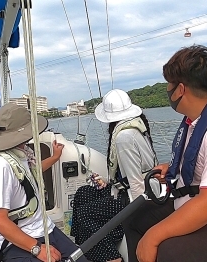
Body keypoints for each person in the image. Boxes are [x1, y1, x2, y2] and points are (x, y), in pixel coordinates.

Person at [122, 45, 207, 262]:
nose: (167, 90)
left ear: (180, 89)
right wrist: (172, 168)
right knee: (136, 217)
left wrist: (153, 237)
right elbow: (202, 162)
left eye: (169, 84)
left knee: (169, 249)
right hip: (206, 212)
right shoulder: (195, 122)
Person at [0, 103, 88, 262]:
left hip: (42, 228)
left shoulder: (21, 153)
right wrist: (37, 249)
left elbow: (30, 174)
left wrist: (55, 157)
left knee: (79, 259)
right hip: (12, 243)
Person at [70, 89, 159, 262]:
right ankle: (82, 247)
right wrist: (110, 184)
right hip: (129, 189)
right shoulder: (135, 126)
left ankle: (112, 258)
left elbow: (136, 183)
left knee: (85, 214)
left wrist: (136, 213)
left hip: (139, 198)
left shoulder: (124, 137)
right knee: (83, 194)